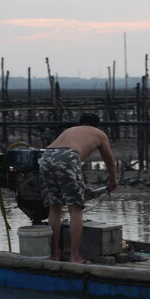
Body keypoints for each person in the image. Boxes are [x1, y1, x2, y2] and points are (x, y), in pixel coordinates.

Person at [38, 112, 118, 263]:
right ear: (96, 125)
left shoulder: (69, 130)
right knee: (76, 208)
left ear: (80, 123)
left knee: (54, 207)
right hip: (68, 156)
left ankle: (55, 254)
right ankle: (75, 257)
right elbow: (111, 162)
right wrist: (112, 181)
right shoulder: (99, 134)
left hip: (46, 156)